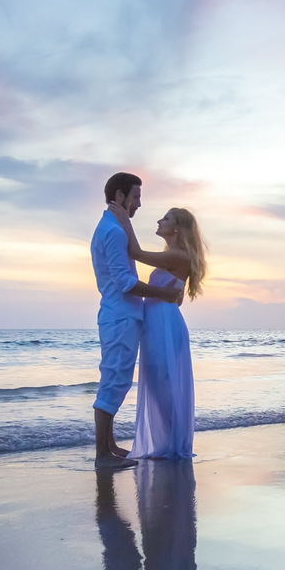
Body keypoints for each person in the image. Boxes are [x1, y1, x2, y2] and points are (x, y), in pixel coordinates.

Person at [91, 173, 183, 468]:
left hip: (117, 314)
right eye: (136, 197)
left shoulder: (110, 227)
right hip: (120, 315)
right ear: (119, 196)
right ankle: (102, 455)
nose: (139, 204)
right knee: (115, 381)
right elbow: (125, 282)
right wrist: (162, 294)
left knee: (114, 378)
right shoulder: (114, 232)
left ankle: (109, 445)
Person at [109, 203, 206, 459]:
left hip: (164, 326)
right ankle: (167, 444)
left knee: (163, 385)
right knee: (158, 385)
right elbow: (176, 296)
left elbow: (136, 252)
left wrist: (123, 220)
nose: (159, 222)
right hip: (159, 323)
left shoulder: (179, 256)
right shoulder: (176, 256)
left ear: (177, 228)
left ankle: (171, 446)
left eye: (165, 219)